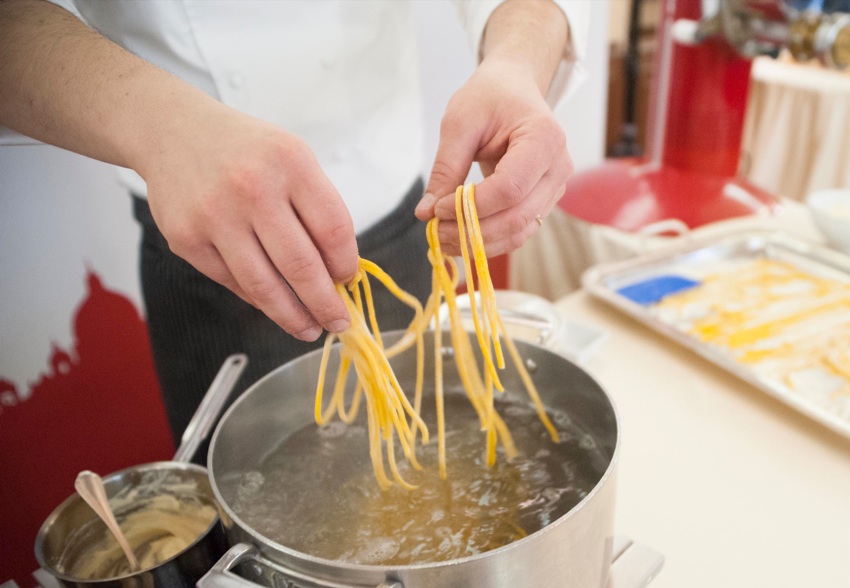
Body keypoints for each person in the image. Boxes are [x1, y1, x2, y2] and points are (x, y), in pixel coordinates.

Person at [0, 0, 588, 444]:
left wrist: (517, 60)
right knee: (246, 514)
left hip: (407, 226)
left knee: (441, 443)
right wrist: (160, 126)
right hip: (217, 258)